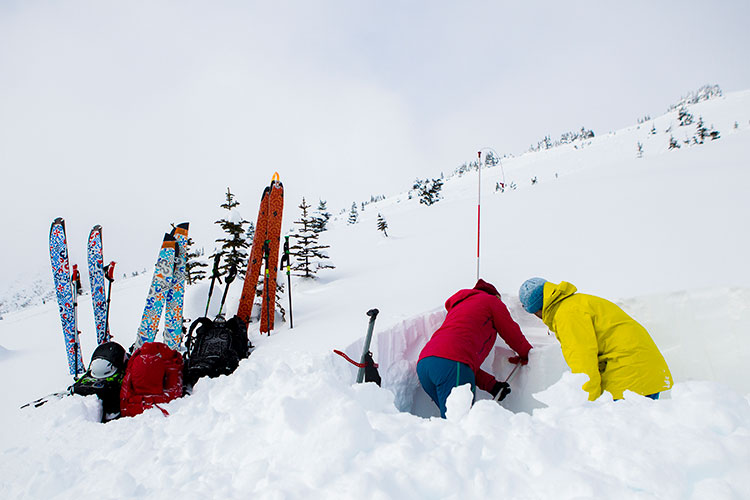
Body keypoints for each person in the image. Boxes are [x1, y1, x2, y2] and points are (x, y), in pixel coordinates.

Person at [518, 278, 673, 401]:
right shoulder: (576, 302)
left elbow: (582, 359)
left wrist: (587, 401)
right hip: (639, 369)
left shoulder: (567, 314)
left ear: (538, 310)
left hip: (629, 373)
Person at [417, 279, 533, 418]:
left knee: (450, 420)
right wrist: (527, 353)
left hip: (425, 364)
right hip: (451, 364)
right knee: (458, 422)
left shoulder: (459, 307)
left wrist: (492, 386)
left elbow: (462, 365)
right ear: (496, 296)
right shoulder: (491, 301)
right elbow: (510, 331)